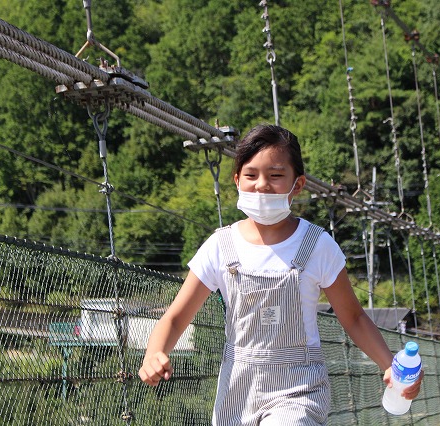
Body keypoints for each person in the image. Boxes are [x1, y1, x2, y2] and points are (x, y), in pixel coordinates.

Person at [138, 124, 423, 425]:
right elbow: (175, 317)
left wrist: (389, 365)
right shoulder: (221, 246)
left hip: (299, 388)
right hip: (237, 391)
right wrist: (154, 353)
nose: (262, 185)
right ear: (237, 180)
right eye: (251, 175)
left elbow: (353, 317)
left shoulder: (317, 245)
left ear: (297, 185)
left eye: (275, 176)